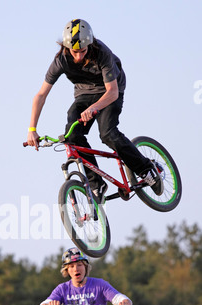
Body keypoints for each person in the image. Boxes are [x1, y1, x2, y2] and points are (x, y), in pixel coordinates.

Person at [27, 18, 163, 202]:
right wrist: (32, 130)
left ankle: (147, 170)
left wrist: (94, 108)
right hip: (84, 94)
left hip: (110, 92)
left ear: (89, 45)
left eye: (83, 51)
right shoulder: (60, 61)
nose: (79, 57)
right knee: (72, 135)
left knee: (108, 134)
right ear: (67, 48)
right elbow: (41, 96)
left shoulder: (101, 53)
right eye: (75, 52)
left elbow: (112, 92)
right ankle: (96, 184)